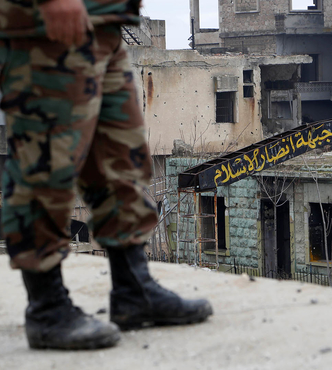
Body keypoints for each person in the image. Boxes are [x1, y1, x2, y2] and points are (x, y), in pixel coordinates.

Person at [0, 0, 212, 350]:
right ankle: (47, 307)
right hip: (50, 22)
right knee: (47, 165)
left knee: (120, 159)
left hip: (105, 19)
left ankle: (133, 289)